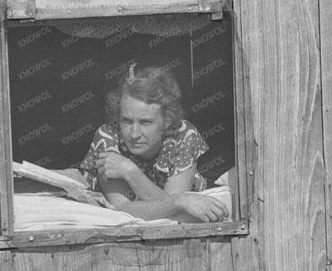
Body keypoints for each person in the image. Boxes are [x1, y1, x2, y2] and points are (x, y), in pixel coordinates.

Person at [72, 65, 230, 223]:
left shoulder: (184, 135)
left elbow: (174, 213)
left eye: (145, 122)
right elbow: (123, 210)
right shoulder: (107, 137)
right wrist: (179, 201)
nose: (134, 134)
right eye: (126, 121)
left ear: (167, 120)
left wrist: (130, 172)